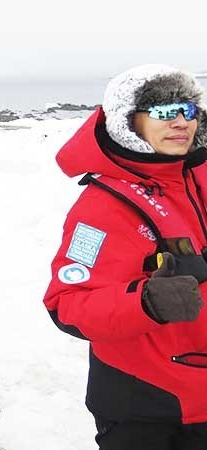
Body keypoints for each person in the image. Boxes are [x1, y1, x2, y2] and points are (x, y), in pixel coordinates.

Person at [43, 64, 207, 449]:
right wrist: (146, 301)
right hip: (147, 403)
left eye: (188, 111)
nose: (180, 123)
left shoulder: (197, 176)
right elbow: (67, 304)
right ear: (128, 124)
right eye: (164, 113)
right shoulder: (101, 208)